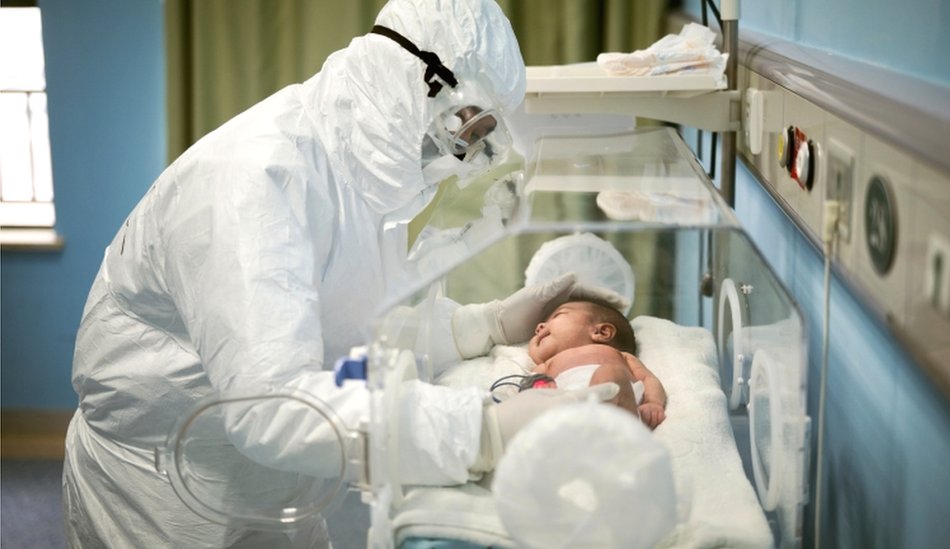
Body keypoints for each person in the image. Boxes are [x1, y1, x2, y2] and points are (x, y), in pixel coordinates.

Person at [61, 1, 614, 547]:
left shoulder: (362, 175)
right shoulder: (252, 181)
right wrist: (480, 432)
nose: (469, 153)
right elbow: (272, 409)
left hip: (275, 481)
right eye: (471, 127)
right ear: (422, 81)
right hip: (165, 490)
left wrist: (481, 326)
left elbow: (352, 332)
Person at [525, 299, 668, 428]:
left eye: (558, 315)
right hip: (566, 409)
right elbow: (527, 390)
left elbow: (647, 379)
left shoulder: (618, 356)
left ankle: (600, 428)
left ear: (602, 332)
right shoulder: (547, 364)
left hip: (616, 409)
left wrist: (652, 402)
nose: (539, 327)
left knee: (611, 374)